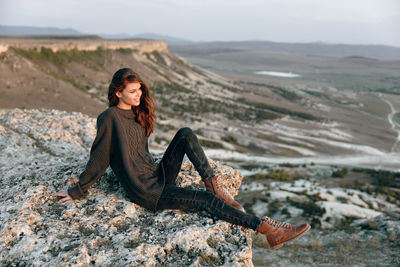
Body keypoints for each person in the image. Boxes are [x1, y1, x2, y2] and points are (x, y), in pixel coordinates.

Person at [52, 68, 311, 250]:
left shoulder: (137, 113)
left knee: (185, 134)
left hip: (157, 174)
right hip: (147, 191)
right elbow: (99, 159)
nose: (138, 95)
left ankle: (213, 183)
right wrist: (77, 190)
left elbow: (139, 153)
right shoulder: (108, 118)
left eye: (139, 90)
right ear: (117, 93)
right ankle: (269, 230)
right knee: (205, 202)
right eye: (132, 91)